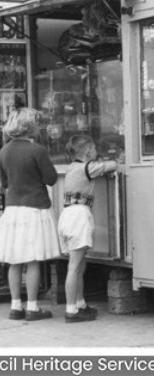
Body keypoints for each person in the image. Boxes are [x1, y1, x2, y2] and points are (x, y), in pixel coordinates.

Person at [0, 108, 60, 321]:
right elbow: (51, 178)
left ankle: (16, 306)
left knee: (15, 260)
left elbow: (4, 183)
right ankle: (33, 307)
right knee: (33, 260)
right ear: (29, 126)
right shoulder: (38, 150)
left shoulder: (4, 150)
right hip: (34, 208)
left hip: (13, 209)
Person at [58, 134, 117, 323]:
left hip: (67, 215)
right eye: (94, 149)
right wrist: (114, 160)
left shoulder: (72, 167)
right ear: (88, 151)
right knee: (75, 267)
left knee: (79, 265)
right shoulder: (87, 167)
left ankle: (79, 303)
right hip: (79, 216)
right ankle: (71, 311)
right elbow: (112, 166)